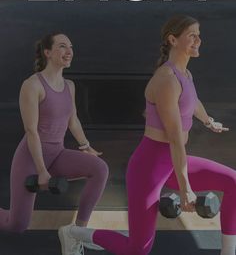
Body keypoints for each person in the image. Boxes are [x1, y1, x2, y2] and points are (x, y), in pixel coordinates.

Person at [58, 15, 236, 255]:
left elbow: (192, 102)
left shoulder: (186, 75)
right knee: (138, 249)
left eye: (198, 34)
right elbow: (174, 139)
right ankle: (73, 233)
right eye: (192, 35)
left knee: (233, 182)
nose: (198, 40)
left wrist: (208, 121)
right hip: (150, 164)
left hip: (173, 160)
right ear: (173, 39)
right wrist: (185, 189)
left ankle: (228, 251)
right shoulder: (166, 79)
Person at [0, 33, 109, 251]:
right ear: (47, 53)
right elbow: (31, 131)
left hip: (57, 153)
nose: (69, 51)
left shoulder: (69, 85)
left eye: (70, 46)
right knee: (17, 225)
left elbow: (73, 119)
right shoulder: (32, 85)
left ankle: (76, 232)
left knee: (100, 168)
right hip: (31, 157)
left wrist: (85, 146)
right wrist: (41, 170)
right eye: (62, 46)